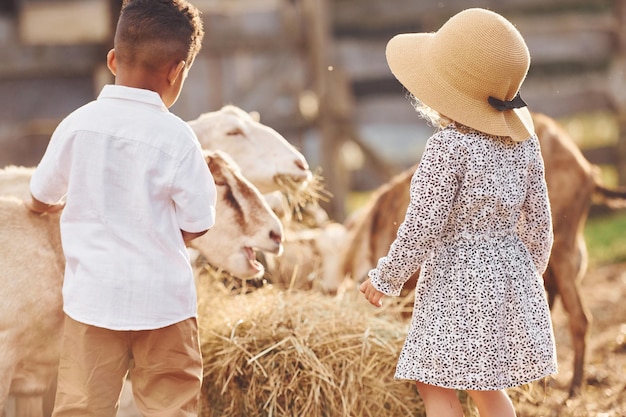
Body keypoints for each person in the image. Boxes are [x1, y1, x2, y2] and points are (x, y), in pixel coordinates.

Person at [359, 8, 557, 417]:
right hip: (507, 274)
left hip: (457, 279)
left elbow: (424, 224)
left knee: (434, 380)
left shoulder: (448, 148)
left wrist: (387, 277)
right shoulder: (525, 145)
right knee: (486, 385)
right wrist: (522, 275)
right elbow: (540, 224)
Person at [26, 0, 216, 415]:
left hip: (92, 302)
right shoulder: (179, 138)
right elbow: (200, 221)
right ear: (177, 72)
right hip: (165, 306)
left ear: (113, 60)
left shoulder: (76, 124)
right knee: (171, 405)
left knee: (81, 406)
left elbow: (40, 197)